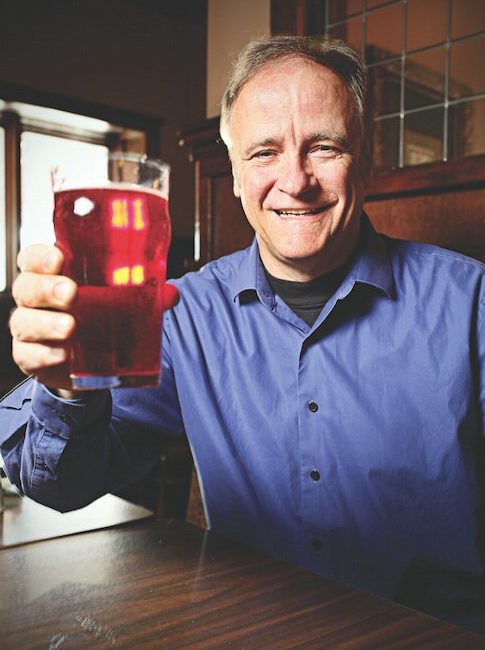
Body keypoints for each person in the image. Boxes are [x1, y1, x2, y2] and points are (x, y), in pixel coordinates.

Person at [1, 35, 485, 633]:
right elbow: (60, 486)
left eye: (324, 147)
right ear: (232, 175)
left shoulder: (471, 302)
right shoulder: (182, 312)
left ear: (364, 156)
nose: (296, 179)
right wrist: (67, 389)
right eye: (263, 153)